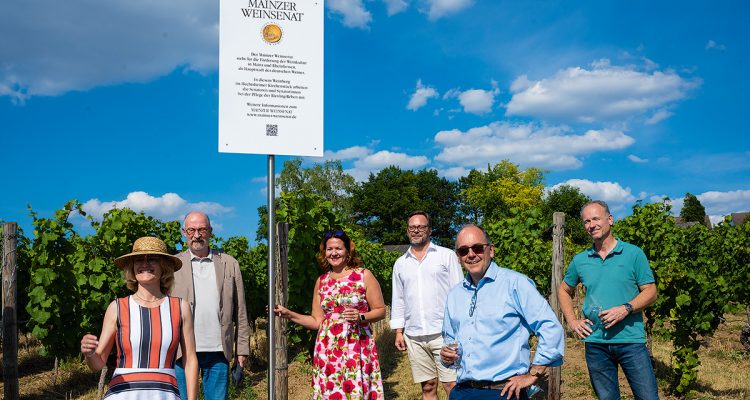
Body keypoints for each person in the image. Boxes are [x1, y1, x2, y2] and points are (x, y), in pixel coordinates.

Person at [441, 224, 564, 400]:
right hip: (463, 391)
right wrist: (446, 356)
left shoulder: (515, 284)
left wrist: (533, 375)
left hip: (503, 392)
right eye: (463, 250)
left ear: (491, 250)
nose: (471, 254)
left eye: (477, 248)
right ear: (458, 257)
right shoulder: (454, 294)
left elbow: (550, 327)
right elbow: (450, 340)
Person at [557, 200, 659, 400]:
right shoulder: (580, 260)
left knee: (648, 397)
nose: (591, 225)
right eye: (586, 221)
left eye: (596, 218)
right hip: (596, 343)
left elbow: (651, 291)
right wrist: (572, 321)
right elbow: (563, 290)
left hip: (631, 341)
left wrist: (626, 308)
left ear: (610, 220)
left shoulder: (633, 253)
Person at [80, 236, 199, 400]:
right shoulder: (117, 308)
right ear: (132, 268)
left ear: (164, 267)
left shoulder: (180, 308)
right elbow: (98, 363)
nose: (144, 264)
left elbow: (190, 360)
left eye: (152, 259)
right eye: (138, 260)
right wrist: (89, 353)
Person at [274, 230, 386, 399]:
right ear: (324, 253)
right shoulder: (322, 281)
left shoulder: (364, 275)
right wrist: (289, 314)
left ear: (348, 251)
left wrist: (360, 316)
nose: (334, 253)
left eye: (339, 248)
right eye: (329, 249)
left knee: (354, 390)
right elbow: (316, 321)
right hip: (327, 348)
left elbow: (381, 310)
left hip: (356, 346)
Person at [171, 211, 251, 400]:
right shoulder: (173, 265)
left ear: (211, 232)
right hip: (181, 351)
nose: (196, 235)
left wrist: (242, 350)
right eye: (191, 230)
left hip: (218, 351)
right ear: (184, 232)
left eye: (202, 230)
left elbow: (240, 310)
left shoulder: (229, 263)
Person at [390, 211, 463, 399]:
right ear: (407, 230)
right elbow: (398, 298)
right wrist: (399, 331)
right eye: (412, 227)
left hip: (444, 333)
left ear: (429, 230)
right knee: (428, 386)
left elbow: (459, 293)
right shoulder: (400, 263)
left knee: (452, 385)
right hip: (414, 335)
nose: (416, 230)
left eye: (421, 227)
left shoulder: (446, 256)